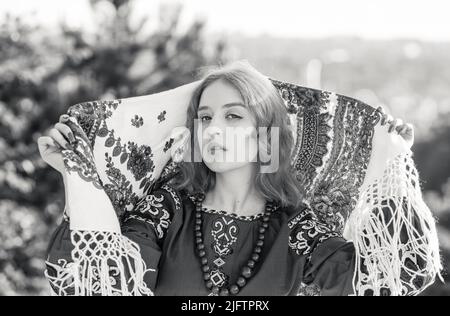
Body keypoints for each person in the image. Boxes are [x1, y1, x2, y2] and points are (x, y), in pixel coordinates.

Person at [38, 61, 433, 296]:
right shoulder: (166, 210)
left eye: (232, 116)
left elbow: (391, 280)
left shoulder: (296, 228)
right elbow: (98, 282)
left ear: (265, 131)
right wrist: (75, 176)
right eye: (205, 117)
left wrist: (390, 163)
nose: (212, 130)